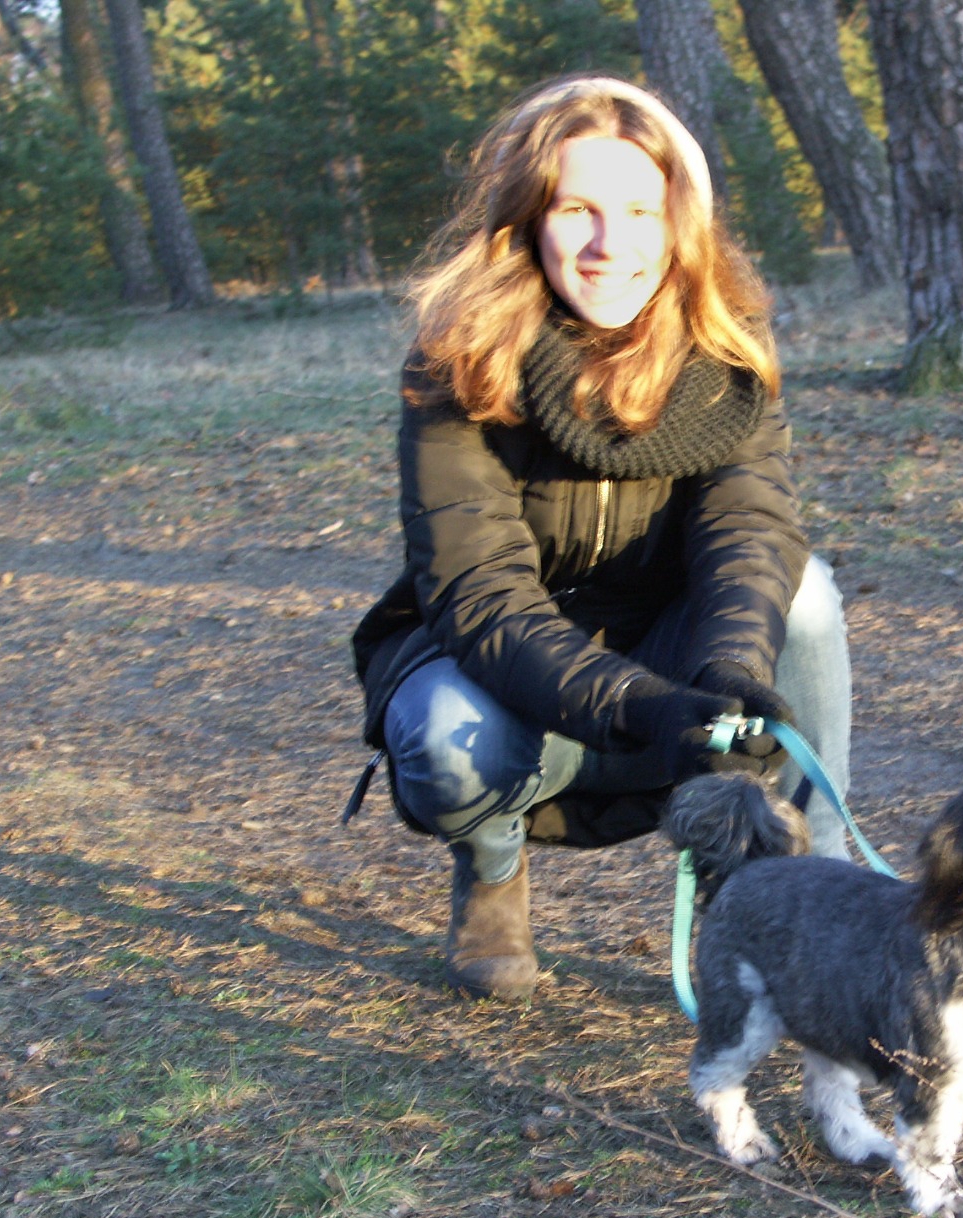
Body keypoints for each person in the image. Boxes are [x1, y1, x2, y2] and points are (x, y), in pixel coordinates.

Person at [348, 76, 853, 1003]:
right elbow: (481, 597)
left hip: (672, 634)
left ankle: (795, 883)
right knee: (446, 740)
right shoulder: (456, 360)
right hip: (500, 657)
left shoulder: (727, 350)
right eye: (578, 209)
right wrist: (648, 708)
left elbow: (750, 530)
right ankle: (494, 867)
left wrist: (733, 672)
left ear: (680, 223)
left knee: (804, 596)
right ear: (528, 221)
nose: (611, 243)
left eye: (640, 209)